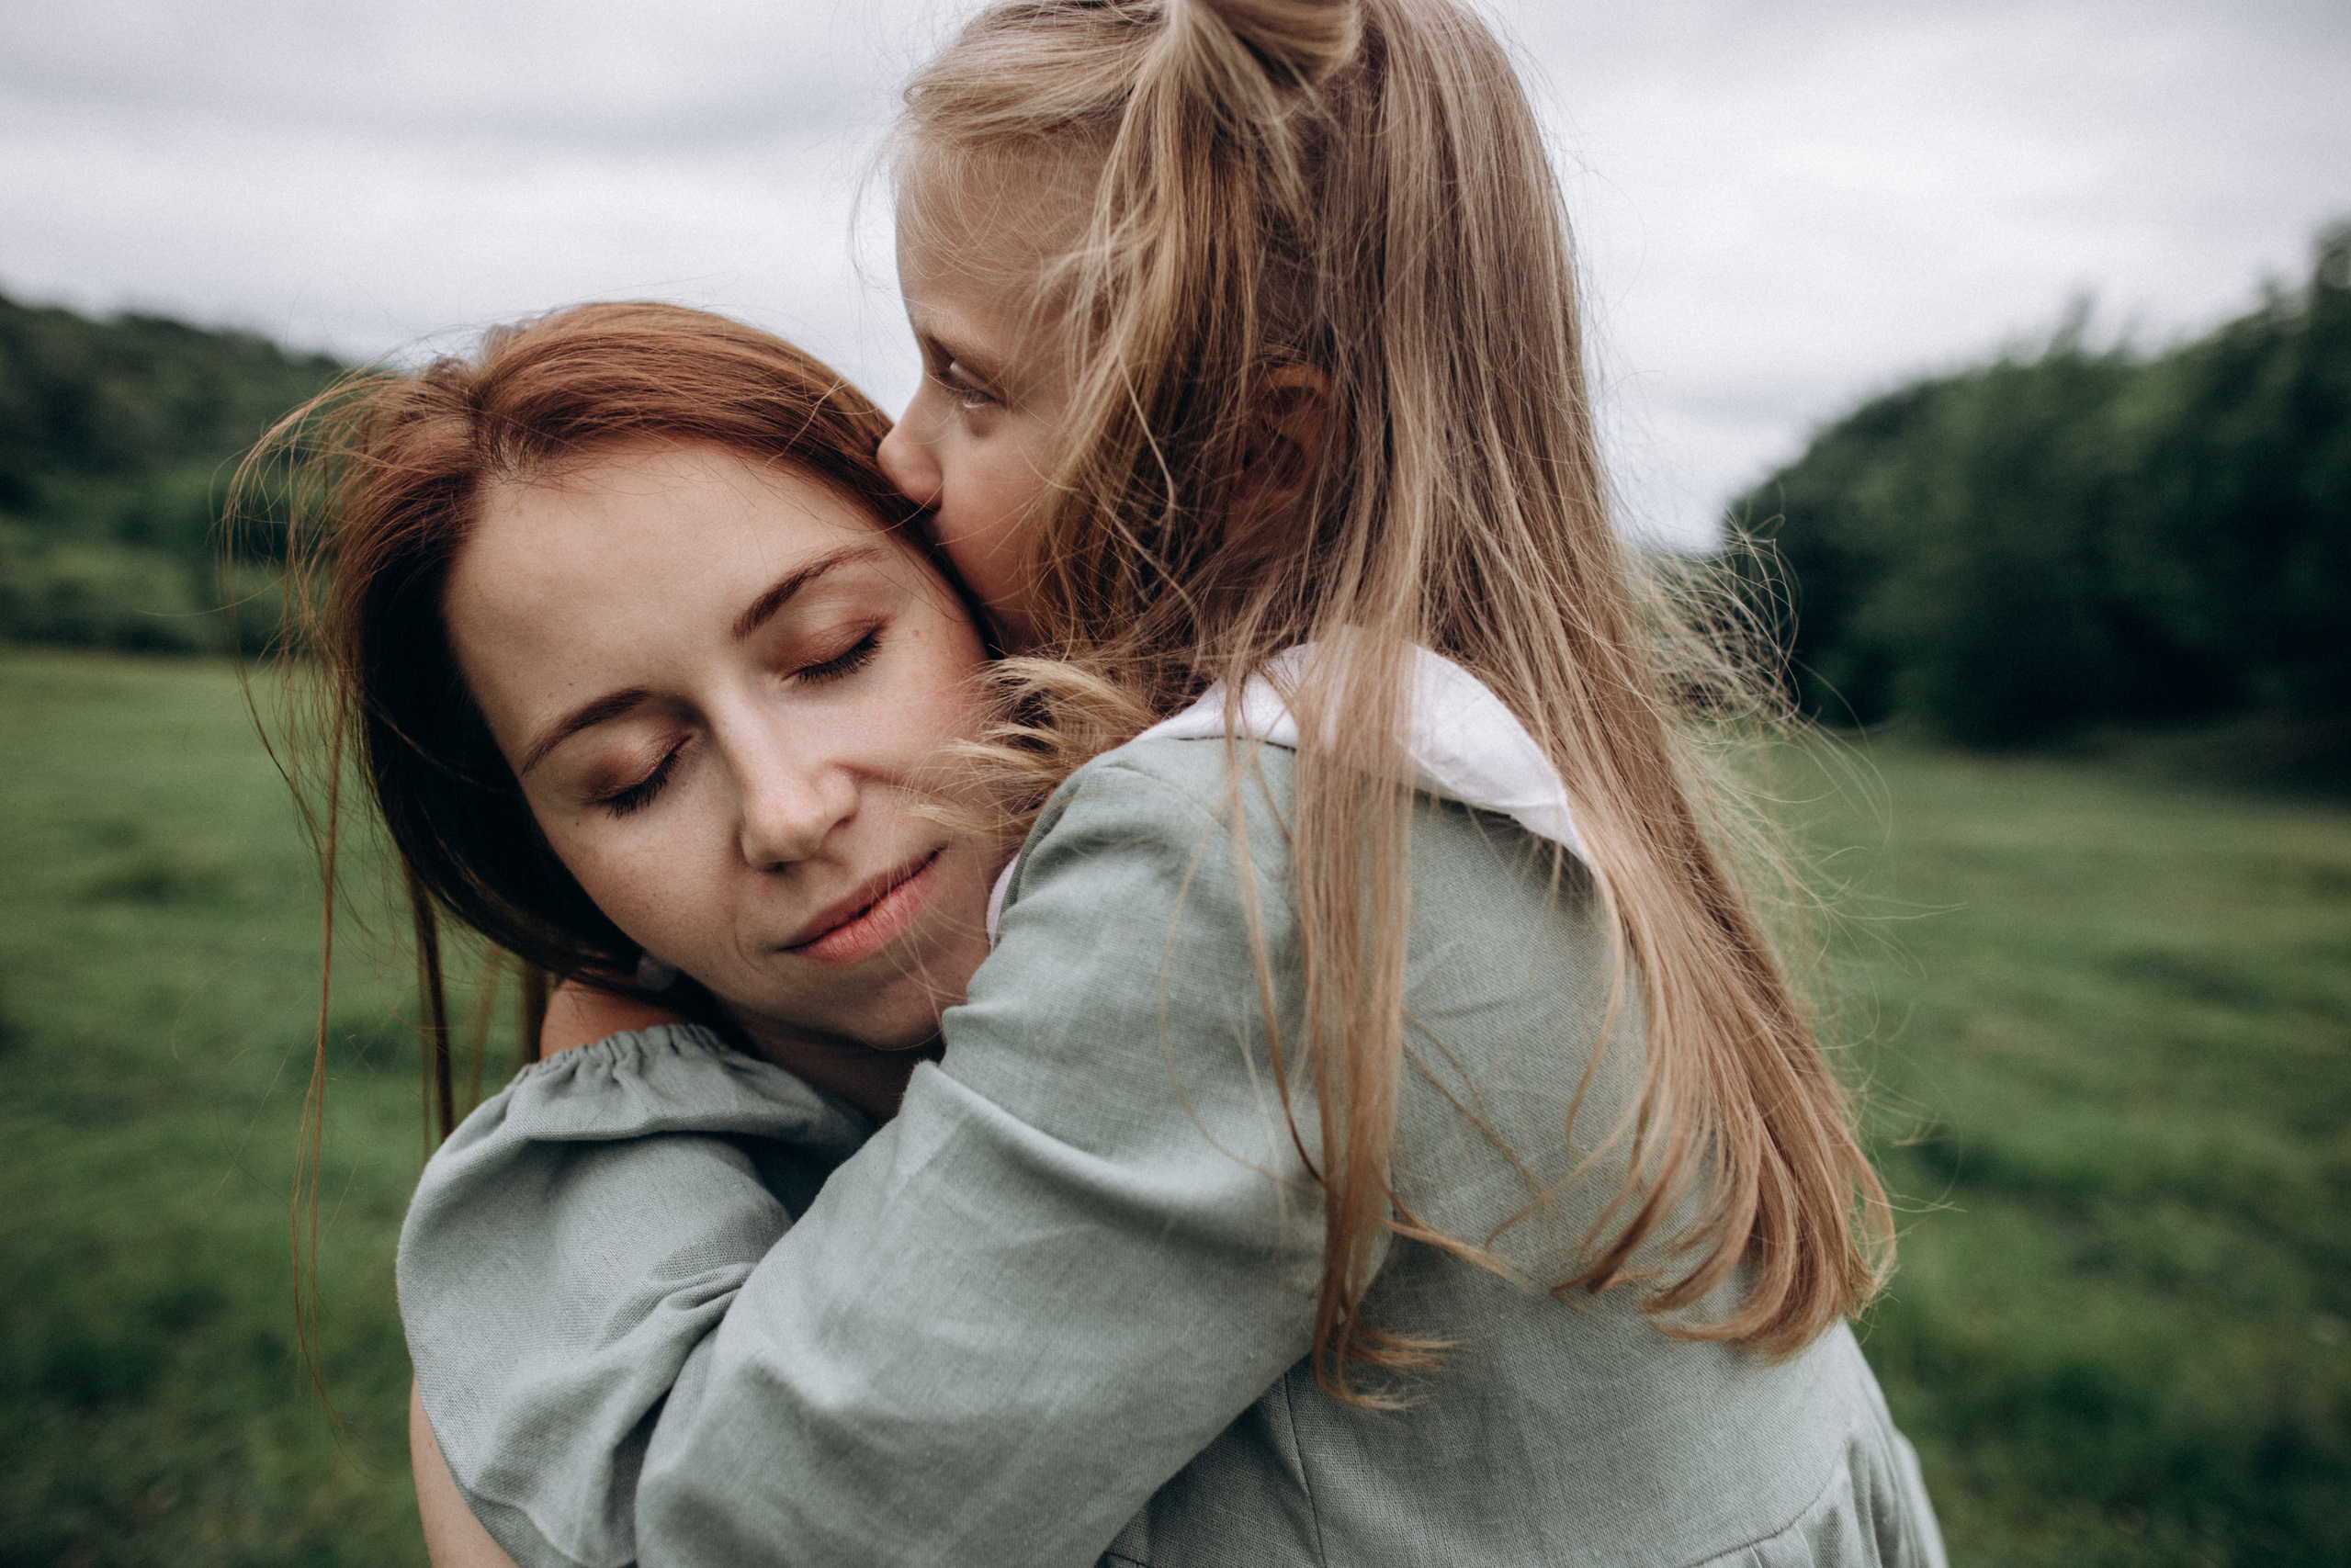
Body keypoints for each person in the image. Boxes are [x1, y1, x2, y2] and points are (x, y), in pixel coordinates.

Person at [398, 1, 1950, 1564]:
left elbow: (744, 1535)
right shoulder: (1433, 765)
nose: (906, 452)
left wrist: (607, 1105)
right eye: (637, 770)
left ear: (1263, 455)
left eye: (967, 379)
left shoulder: (1237, 865)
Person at [254, 300, 1013, 1563]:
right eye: (636, 775)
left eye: (836, 652)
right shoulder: (563, 1391)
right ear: (549, 866)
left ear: (978, 588)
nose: (789, 809)